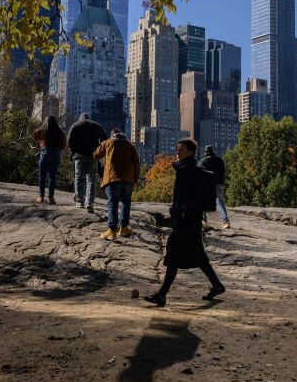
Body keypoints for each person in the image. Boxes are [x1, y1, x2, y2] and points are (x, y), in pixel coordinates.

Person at [143, 138, 225, 307]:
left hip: (188, 220)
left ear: (190, 152)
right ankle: (217, 285)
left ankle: (162, 295)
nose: (177, 154)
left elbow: (200, 195)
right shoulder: (183, 169)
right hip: (184, 220)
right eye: (177, 151)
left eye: (181, 151)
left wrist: (185, 209)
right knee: (197, 256)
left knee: (174, 254)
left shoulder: (192, 170)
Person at [94, 128, 141, 239]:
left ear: (112, 135)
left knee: (113, 203)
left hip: (112, 179)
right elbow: (137, 164)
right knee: (126, 202)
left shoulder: (107, 143)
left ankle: (112, 230)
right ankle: (124, 228)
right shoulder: (130, 145)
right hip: (128, 180)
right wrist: (135, 179)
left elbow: (95, 155)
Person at [66, 113, 107, 212]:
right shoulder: (95, 125)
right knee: (91, 179)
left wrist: (73, 151)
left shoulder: (75, 125)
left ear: (80, 119)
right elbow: (105, 139)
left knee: (79, 178)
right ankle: (90, 202)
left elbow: (69, 141)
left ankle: (79, 201)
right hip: (92, 156)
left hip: (78, 156)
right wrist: (98, 150)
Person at [32, 116, 66, 204]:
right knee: (52, 176)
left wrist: (41, 128)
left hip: (45, 153)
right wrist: (59, 149)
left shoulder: (43, 130)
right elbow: (64, 143)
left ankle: (41, 196)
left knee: (42, 175)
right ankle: (51, 198)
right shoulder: (59, 131)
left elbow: (35, 136)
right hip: (55, 154)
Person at [197, 145, 231, 228]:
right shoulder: (220, 160)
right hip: (219, 184)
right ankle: (225, 222)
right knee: (220, 202)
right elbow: (223, 172)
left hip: (207, 185)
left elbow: (199, 173)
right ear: (213, 151)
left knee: (202, 201)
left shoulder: (203, 161)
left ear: (205, 152)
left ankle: (203, 221)